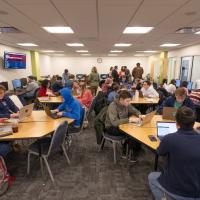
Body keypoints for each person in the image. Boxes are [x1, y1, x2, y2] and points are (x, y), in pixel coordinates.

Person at [148, 106, 200, 199]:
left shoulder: (170, 138)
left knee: (152, 177)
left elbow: (159, 152)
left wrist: (163, 143)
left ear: (177, 123)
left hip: (178, 189)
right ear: (193, 123)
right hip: (197, 190)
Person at [105, 90, 143, 160]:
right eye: (127, 101)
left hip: (122, 124)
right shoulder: (113, 106)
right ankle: (127, 152)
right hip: (111, 127)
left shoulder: (126, 104)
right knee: (132, 133)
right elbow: (114, 123)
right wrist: (129, 120)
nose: (129, 103)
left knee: (136, 130)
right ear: (121, 100)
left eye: (129, 101)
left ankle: (132, 149)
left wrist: (140, 115)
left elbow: (134, 110)